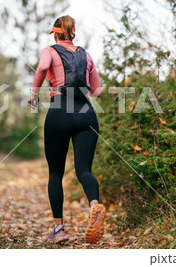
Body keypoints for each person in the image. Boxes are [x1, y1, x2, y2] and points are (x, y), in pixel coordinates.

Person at [28, 15, 106, 244]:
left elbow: (42, 67)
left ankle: (59, 229)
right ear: (72, 32)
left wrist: (34, 93)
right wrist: (81, 98)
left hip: (59, 111)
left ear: (55, 33)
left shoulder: (49, 51)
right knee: (84, 170)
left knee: (55, 173)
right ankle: (94, 204)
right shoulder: (86, 54)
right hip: (86, 113)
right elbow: (98, 90)